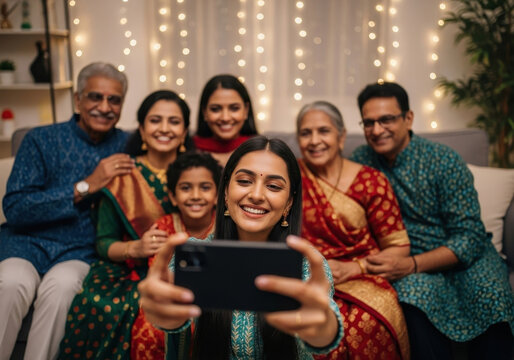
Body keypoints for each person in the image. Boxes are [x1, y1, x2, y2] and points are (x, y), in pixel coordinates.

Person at [138, 136, 344, 359]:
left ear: (289, 203)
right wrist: (164, 315)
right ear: (225, 192)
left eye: (273, 186)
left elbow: (323, 325)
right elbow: (173, 312)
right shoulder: (197, 255)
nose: (256, 195)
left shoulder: (305, 263)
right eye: (244, 181)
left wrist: (323, 328)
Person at [351, 82, 514, 360]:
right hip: (409, 267)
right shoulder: (361, 163)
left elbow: (469, 236)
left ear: (408, 118)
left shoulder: (443, 159)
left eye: (387, 119)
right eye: (369, 122)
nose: (377, 130)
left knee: (491, 296)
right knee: (412, 299)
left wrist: (413, 264)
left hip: (464, 257)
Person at [0, 62, 131, 360]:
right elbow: (16, 208)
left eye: (114, 99)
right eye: (95, 97)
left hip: (80, 250)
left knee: (62, 290)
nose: (104, 107)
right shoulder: (40, 140)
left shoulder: (127, 145)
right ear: (77, 100)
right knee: (11, 282)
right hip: (25, 243)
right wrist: (86, 185)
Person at [58, 90, 192, 359]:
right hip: (129, 271)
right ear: (142, 130)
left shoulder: (199, 175)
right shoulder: (122, 176)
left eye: (174, 122)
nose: (164, 128)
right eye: (155, 121)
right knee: (101, 305)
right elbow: (104, 242)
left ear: (185, 131)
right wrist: (136, 248)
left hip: (187, 270)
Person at [296, 101, 410, 359]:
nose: (314, 141)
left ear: (341, 136)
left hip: (362, 277)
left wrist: (355, 268)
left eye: (323, 131)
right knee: (310, 324)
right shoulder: (289, 178)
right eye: (306, 133)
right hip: (306, 276)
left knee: (367, 323)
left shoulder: (371, 181)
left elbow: (399, 249)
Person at [131, 152, 222, 360]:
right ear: (172, 196)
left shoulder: (225, 227)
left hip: (215, 298)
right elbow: (159, 274)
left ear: (218, 194)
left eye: (205, 187)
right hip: (173, 298)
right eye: (186, 188)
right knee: (151, 330)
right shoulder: (164, 227)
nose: (196, 195)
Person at [193, 74, 258, 166]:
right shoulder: (187, 149)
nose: (225, 118)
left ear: (246, 110)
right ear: (204, 112)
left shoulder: (261, 150)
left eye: (234, 108)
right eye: (215, 109)